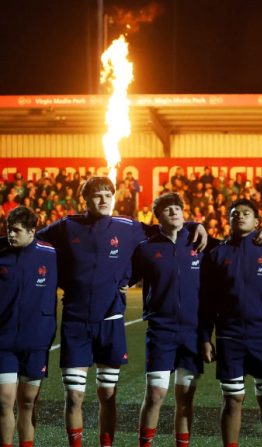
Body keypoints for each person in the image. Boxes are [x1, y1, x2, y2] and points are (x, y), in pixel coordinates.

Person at [37, 176, 208, 447]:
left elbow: (165, 226)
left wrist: (196, 225)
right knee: (74, 396)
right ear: (86, 200)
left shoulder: (127, 226)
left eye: (108, 194)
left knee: (108, 393)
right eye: (97, 195)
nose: (104, 200)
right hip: (75, 321)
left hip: (111, 320)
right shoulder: (66, 226)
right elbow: (30, 241)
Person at [199, 198, 262, 447]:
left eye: (246, 213)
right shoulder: (216, 254)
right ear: (229, 220)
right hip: (229, 337)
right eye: (234, 213)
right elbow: (207, 301)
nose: (240, 216)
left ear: (256, 221)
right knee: (233, 399)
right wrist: (204, 337)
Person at [130, 193, 214, 447]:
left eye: (178, 208)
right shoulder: (146, 249)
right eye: (168, 209)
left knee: (185, 397)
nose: (174, 212)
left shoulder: (201, 243)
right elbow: (126, 277)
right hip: (161, 331)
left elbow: (238, 241)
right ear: (159, 217)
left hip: (193, 332)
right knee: (156, 394)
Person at [0, 207, 57, 447]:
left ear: (32, 231)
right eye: (8, 229)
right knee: (4, 401)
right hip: (3, 342)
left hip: (36, 342)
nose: (11, 235)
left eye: (16, 231)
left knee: (27, 404)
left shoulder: (51, 253)